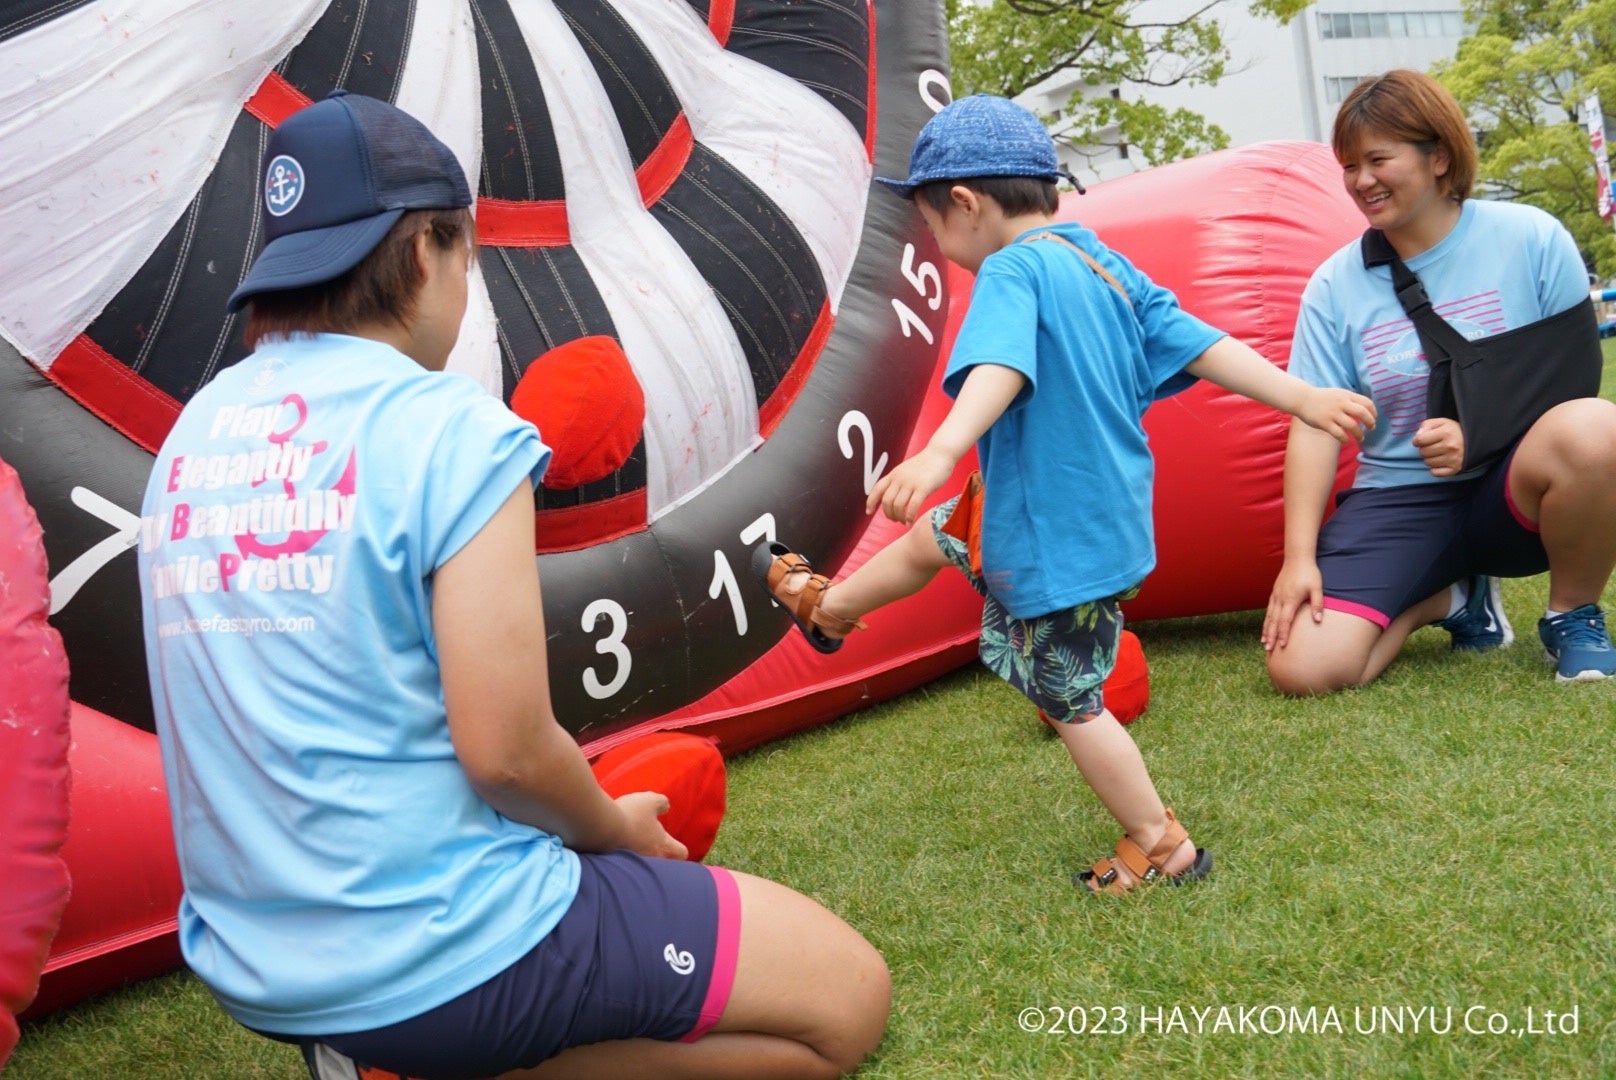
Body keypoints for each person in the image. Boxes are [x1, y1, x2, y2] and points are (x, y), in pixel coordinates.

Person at [137, 90, 889, 1080]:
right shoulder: (451, 431)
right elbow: (507, 755)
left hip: (256, 963)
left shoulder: (189, 443)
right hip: (445, 945)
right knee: (844, 1004)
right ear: (422, 254)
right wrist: (613, 829)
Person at [751, 94, 1377, 895]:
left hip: (1054, 541)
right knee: (941, 534)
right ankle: (830, 612)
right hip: (1090, 523)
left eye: (934, 228)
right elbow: (1206, 342)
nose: (940, 247)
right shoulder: (1103, 262)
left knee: (1073, 699)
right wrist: (1301, 397)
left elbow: (1002, 367)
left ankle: (1160, 843)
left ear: (966, 205)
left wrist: (941, 447)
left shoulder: (1013, 269)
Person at [1262, 69, 1616, 694]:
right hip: (1397, 498)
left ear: (1440, 157)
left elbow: (1572, 381)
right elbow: (1316, 424)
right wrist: (1298, 560)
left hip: (1511, 492)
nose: (1361, 180)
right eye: (1349, 165)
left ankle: (1573, 613)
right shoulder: (1333, 285)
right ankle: (1454, 599)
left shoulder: (1531, 239)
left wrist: (1479, 433)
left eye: (1378, 159)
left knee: (1597, 428)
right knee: (1302, 670)